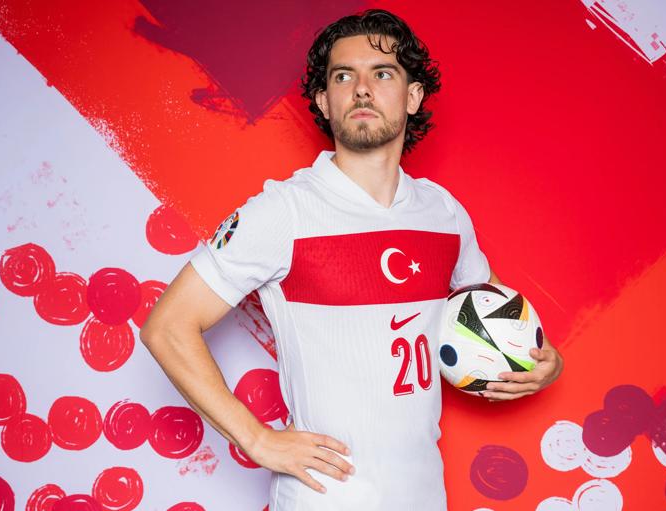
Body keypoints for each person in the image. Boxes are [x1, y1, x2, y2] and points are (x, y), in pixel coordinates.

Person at [139, 8, 563, 511]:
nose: (362, 88)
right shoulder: (285, 211)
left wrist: (544, 365)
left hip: (426, 496)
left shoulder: (443, 212)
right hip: (323, 498)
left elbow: (494, 315)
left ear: (412, 96)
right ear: (324, 99)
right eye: (344, 76)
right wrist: (256, 439)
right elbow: (166, 328)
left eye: (382, 73)